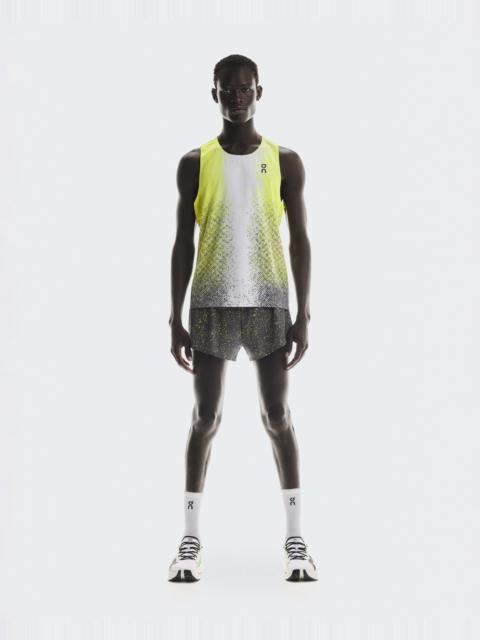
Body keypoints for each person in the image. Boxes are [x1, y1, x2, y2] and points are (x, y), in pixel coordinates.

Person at [168, 54, 317, 582]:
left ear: (259, 92)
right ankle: (189, 540)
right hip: (210, 301)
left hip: (268, 301)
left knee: (277, 415)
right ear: (214, 94)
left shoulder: (284, 160)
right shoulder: (195, 162)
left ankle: (296, 540)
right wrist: (174, 316)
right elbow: (182, 243)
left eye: (245, 89)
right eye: (227, 89)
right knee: (205, 418)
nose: (237, 97)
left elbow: (299, 240)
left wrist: (303, 313)